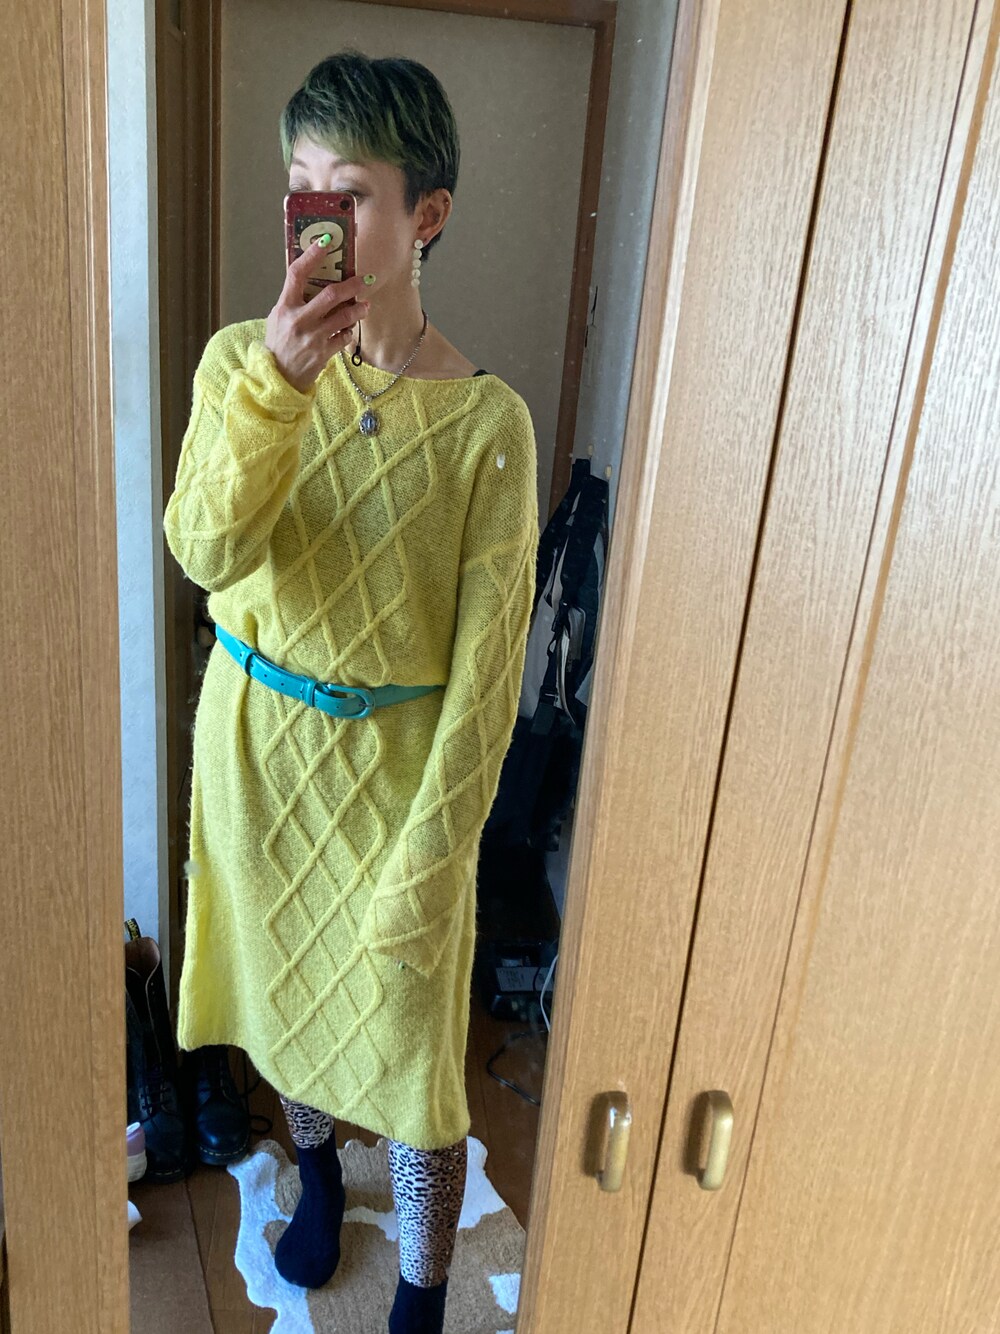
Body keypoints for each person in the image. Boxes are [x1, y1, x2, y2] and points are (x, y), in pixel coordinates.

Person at [162, 48, 539, 1333]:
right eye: (300, 187)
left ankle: (424, 1292)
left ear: (426, 213)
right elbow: (203, 551)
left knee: (418, 1061)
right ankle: (317, 1174)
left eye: (352, 192)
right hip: (257, 757)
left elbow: (489, 676)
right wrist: (275, 391)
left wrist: (435, 858)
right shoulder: (239, 362)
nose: (315, 220)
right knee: (291, 1007)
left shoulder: (488, 426)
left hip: (396, 783)